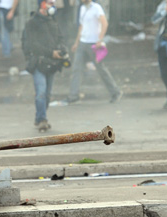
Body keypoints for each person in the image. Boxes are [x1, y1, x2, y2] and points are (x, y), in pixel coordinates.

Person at [66, 0, 123, 104]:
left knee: (101, 68)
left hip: (93, 44)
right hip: (83, 42)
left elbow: (104, 23)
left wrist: (100, 39)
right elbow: (81, 27)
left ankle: (115, 92)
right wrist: (76, 42)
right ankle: (73, 95)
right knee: (76, 69)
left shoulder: (96, 8)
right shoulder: (82, 8)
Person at [22, 0, 66, 131]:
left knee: (47, 95)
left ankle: (39, 116)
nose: (52, 5)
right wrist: (51, 53)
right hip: (38, 62)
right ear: (42, 4)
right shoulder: (32, 23)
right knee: (41, 93)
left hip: (51, 64)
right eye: (50, 3)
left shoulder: (53, 21)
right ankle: (42, 120)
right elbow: (32, 44)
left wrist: (62, 50)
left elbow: (60, 38)